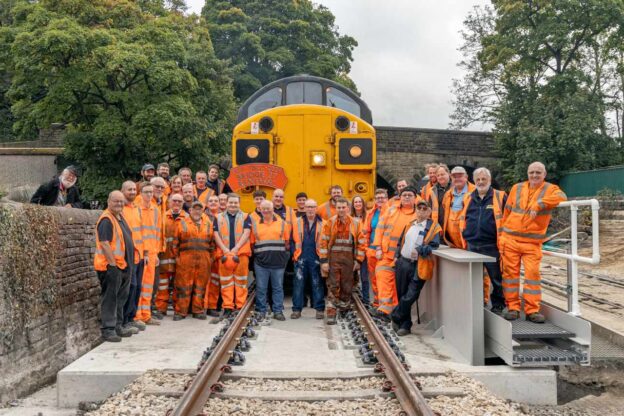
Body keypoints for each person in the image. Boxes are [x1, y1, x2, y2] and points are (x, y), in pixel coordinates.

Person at [501, 162, 567, 323]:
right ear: (527, 173)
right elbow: (507, 211)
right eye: (531, 172)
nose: (534, 175)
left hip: (532, 242)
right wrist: (501, 235)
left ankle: (532, 310)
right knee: (510, 276)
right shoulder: (517, 188)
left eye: (538, 172)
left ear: (544, 175)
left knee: (532, 275)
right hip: (510, 239)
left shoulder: (550, 189)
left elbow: (562, 197)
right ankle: (513, 308)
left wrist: (540, 204)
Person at [390, 200, 442, 336]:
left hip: (419, 265)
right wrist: (397, 256)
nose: (421, 211)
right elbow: (400, 241)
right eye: (419, 208)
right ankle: (405, 325)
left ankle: (395, 315)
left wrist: (422, 249)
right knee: (402, 293)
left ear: (429, 212)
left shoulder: (434, 227)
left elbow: (434, 245)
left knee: (411, 295)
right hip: (403, 262)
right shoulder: (410, 224)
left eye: (425, 209)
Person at [459, 168, 507, 314]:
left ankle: (498, 304)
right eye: (478, 179)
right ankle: (477, 304)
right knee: (473, 278)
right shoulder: (468, 198)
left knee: (496, 278)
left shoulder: (499, 196)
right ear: (474, 181)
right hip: (472, 244)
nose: (480, 182)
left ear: (489, 180)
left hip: (491, 245)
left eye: (483, 179)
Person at [373, 186, 420, 318]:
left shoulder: (418, 214)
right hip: (386, 254)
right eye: (404, 195)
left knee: (400, 285)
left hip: (404, 257)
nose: (406, 197)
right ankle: (386, 308)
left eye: (409, 195)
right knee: (382, 277)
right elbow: (380, 229)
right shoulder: (391, 210)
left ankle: (397, 311)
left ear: (415, 198)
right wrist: (378, 248)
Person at [94, 191, 134, 342]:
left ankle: (117, 325)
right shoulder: (106, 219)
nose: (119, 204)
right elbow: (105, 244)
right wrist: (113, 266)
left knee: (120, 297)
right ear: (108, 201)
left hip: (123, 266)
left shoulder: (119, 217)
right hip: (111, 267)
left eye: (121, 201)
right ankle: (108, 329)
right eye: (116, 201)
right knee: (110, 298)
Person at [319, 197, 366, 324]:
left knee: (347, 284)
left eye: (343, 207)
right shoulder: (330, 222)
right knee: (333, 284)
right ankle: (331, 311)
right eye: (338, 207)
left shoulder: (355, 223)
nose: (341, 210)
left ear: (348, 208)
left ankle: (344, 307)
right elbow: (323, 242)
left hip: (349, 259)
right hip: (333, 258)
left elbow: (362, 243)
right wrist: (323, 261)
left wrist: (359, 261)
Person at [172, 200, 214, 320]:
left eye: (199, 209)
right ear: (190, 210)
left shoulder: (208, 224)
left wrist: (210, 259)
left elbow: (212, 245)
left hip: (203, 260)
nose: (197, 211)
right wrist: (178, 259)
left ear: (202, 211)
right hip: (186, 260)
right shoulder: (182, 223)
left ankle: (198, 310)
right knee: (183, 286)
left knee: (200, 287)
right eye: (194, 209)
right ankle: (180, 312)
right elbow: (175, 244)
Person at [249, 200, 291, 321]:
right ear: (260, 210)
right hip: (261, 263)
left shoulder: (282, 224)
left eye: (268, 208)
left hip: (278, 263)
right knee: (261, 288)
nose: (266, 211)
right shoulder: (255, 225)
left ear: (273, 209)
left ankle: (278, 311)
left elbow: (287, 243)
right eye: (264, 208)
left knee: (278, 287)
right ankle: (261, 310)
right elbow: (252, 244)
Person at [213, 193, 252, 319]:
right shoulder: (218, 217)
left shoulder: (246, 216)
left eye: (235, 202)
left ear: (239, 204)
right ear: (226, 203)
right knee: (226, 283)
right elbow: (216, 235)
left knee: (241, 282)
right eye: (231, 202)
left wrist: (235, 249)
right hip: (224, 256)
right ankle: (228, 307)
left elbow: (246, 233)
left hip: (240, 254)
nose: (233, 205)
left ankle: (240, 306)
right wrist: (225, 250)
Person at [153, 193, 188, 319]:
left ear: (183, 203)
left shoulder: (187, 219)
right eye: (174, 201)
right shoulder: (162, 217)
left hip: (180, 259)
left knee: (179, 285)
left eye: (179, 201)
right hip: (164, 257)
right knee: (162, 285)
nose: (177, 203)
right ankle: (160, 309)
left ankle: (179, 310)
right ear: (169, 202)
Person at [292, 199, 325, 320]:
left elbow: (326, 242)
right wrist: (294, 254)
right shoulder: (297, 222)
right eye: (308, 207)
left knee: (317, 284)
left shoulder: (323, 223)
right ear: (304, 208)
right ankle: (296, 310)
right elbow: (291, 240)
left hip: (316, 257)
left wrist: (323, 258)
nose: (310, 209)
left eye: (313, 207)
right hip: (300, 257)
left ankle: (319, 309)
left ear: (316, 208)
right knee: (298, 284)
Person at [120, 181, 146, 334]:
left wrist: (145, 253)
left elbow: (140, 232)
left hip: (139, 254)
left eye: (133, 189)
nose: (132, 191)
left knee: (137, 288)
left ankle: (132, 317)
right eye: (129, 189)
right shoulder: (120, 209)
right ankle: (125, 320)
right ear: (122, 191)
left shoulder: (137, 209)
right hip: (128, 255)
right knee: (129, 288)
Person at [134, 183, 162, 326]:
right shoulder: (136, 208)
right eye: (147, 192)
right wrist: (143, 252)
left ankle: (146, 315)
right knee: (139, 285)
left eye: (151, 192)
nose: (150, 194)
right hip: (140, 253)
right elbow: (137, 232)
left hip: (151, 254)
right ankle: (137, 316)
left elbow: (157, 234)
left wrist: (155, 253)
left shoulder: (155, 209)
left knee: (148, 286)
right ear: (141, 192)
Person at [364, 189, 389, 307]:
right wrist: (366, 248)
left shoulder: (391, 212)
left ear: (387, 199)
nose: (380, 200)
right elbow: (366, 232)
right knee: (373, 278)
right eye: (378, 198)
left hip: (385, 251)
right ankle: (377, 302)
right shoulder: (371, 213)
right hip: (372, 250)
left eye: (382, 197)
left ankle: (385, 305)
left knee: (383, 278)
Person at [441, 166, 475, 248]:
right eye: (454, 176)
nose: (457, 179)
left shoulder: (475, 192)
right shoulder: (448, 194)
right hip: (452, 242)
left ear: (466, 177)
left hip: (470, 241)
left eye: (460, 176)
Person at [351, 195, 369, 304]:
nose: (358, 204)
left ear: (363, 203)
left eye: (359, 201)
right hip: (353, 250)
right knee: (350, 276)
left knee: (364, 277)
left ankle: (366, 300)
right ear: (353, 204)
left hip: (365, 250)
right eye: (355, 202)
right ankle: (349, 298)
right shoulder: (350, 218)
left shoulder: (368, 216)